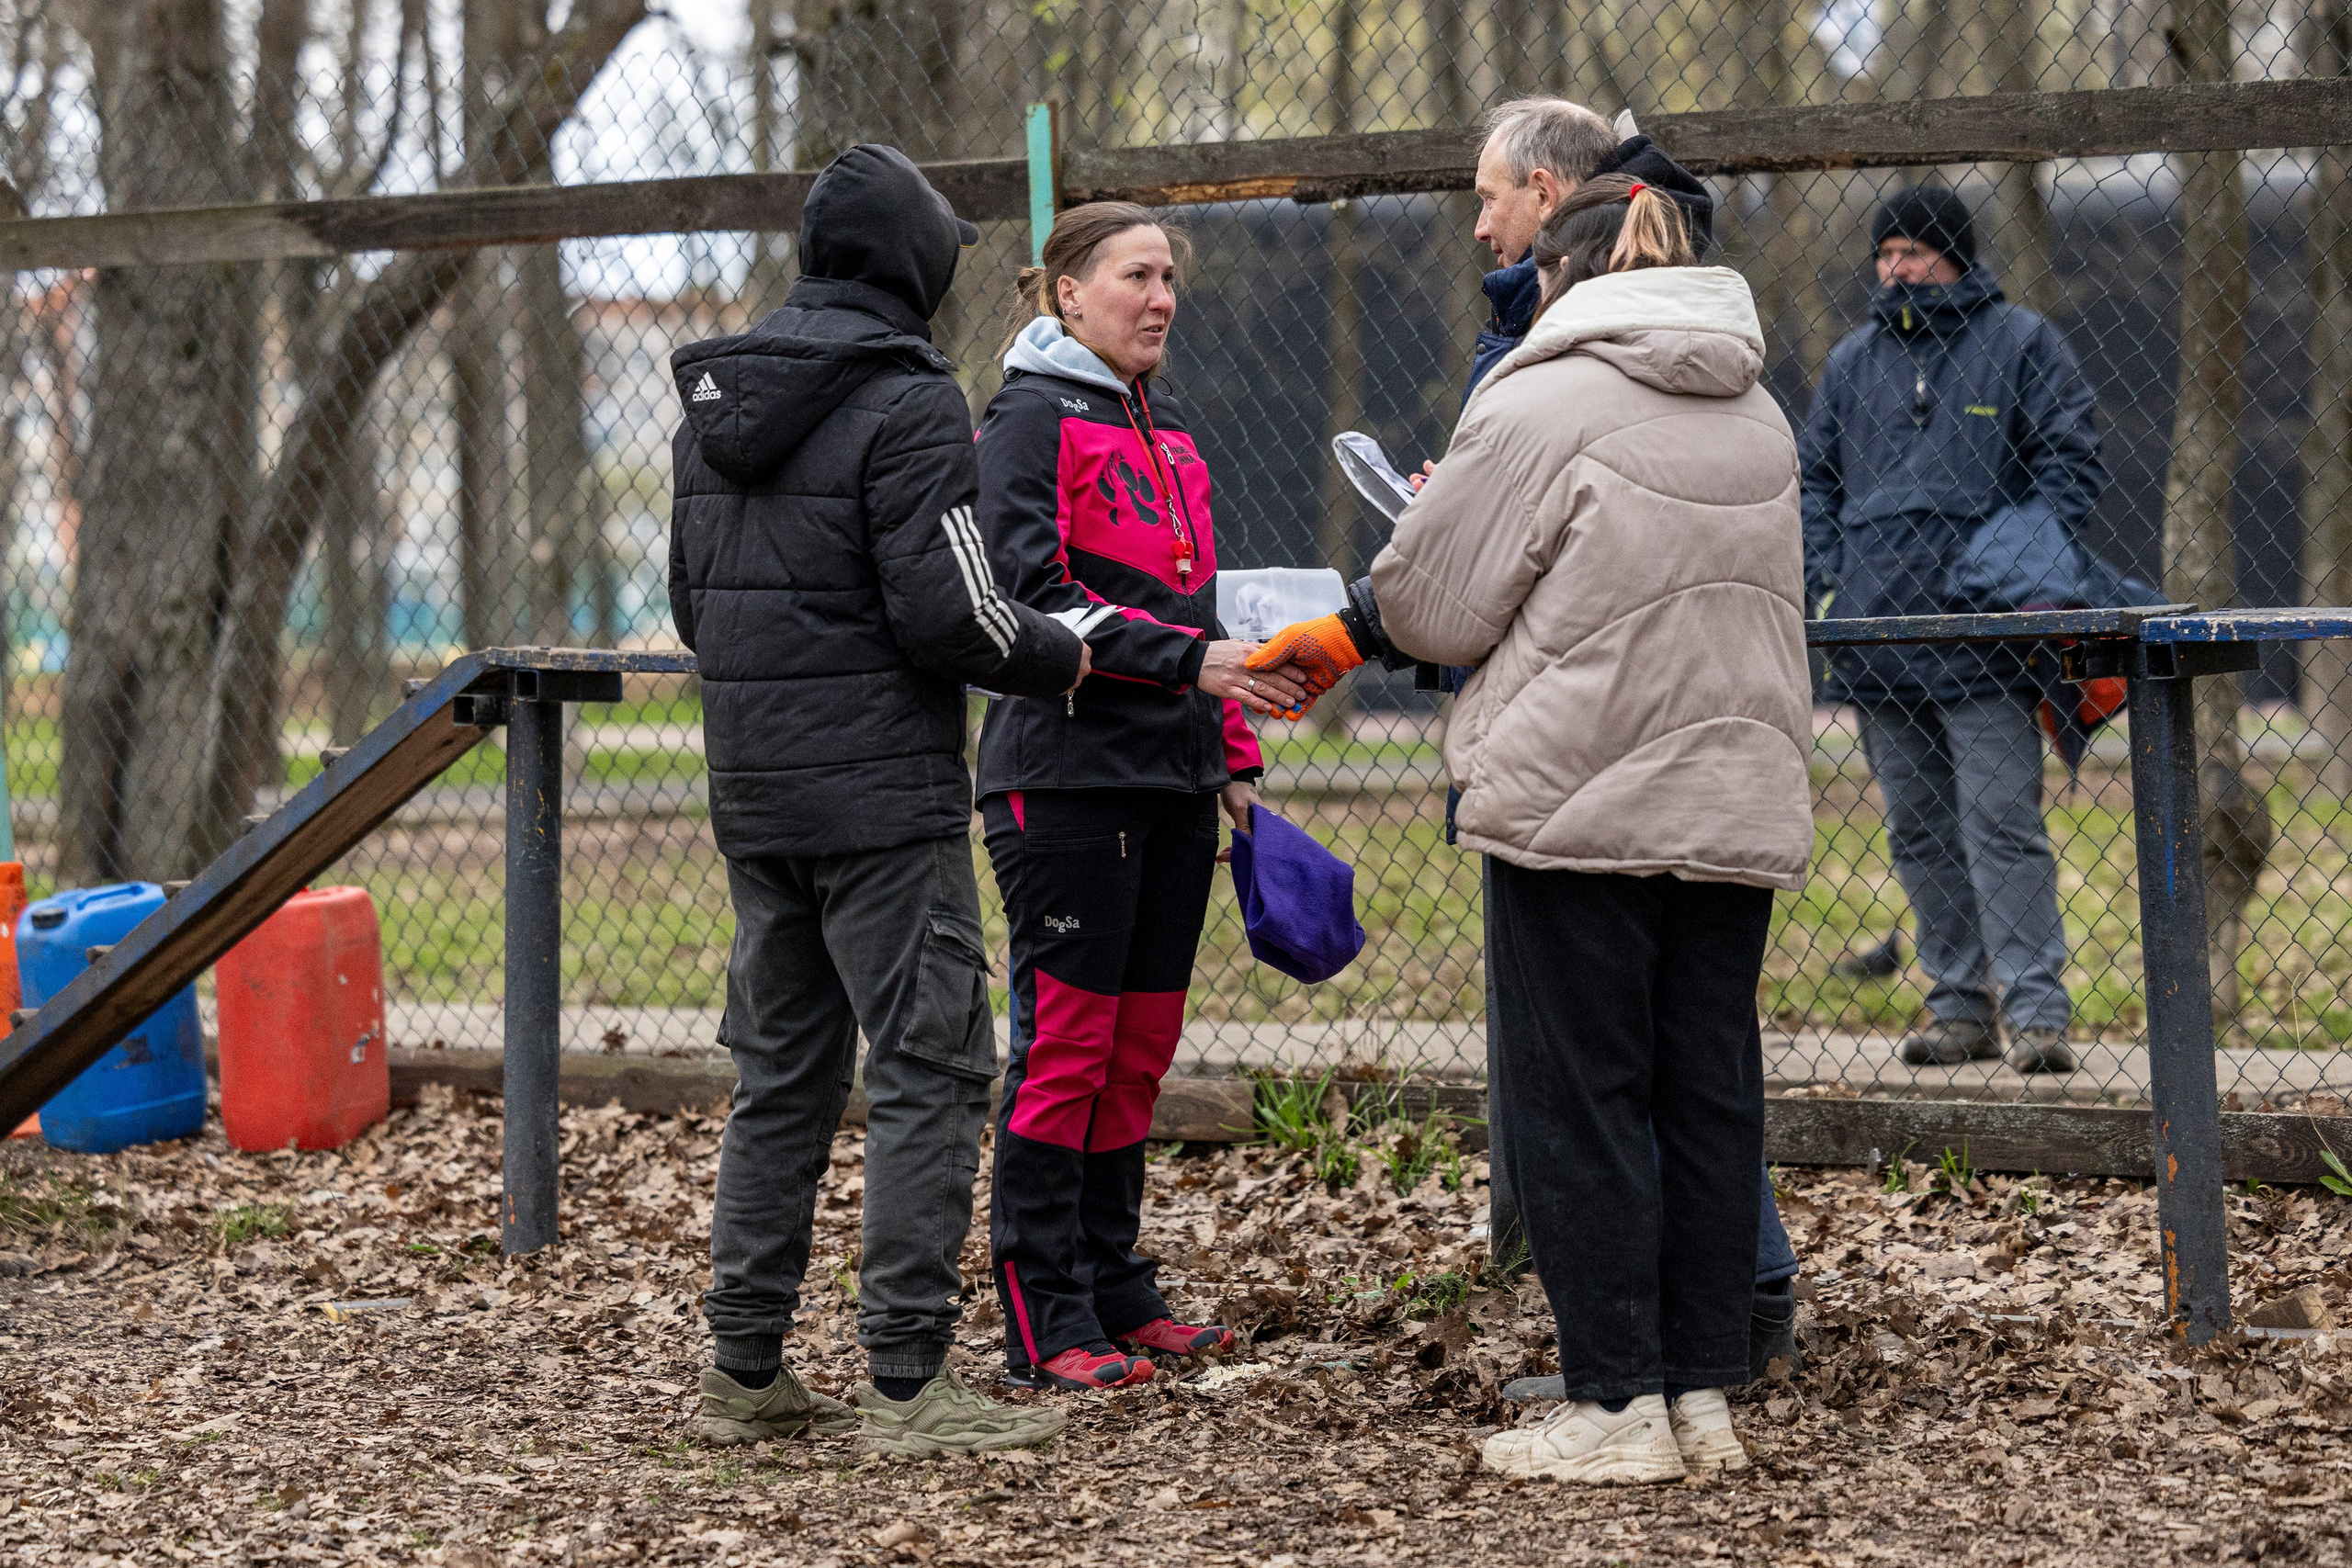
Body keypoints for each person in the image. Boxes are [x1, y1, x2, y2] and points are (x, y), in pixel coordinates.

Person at [1335, 94, 1804, 1380]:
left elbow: (1433, 599)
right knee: (1708, 1095)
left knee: (1584, 1103)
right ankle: (1704, 1386)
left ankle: (1613, 1397)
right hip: (1734, 798)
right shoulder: (1760, 412)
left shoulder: (1542, 400)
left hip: (1579, 797)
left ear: (1563, 272)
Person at [670, 144, 1094, 1456]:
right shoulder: (909, 405)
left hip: (758, 795)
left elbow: (693, 606)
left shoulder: (715, 408)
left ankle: (743, 1368)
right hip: (882, 804)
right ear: (908, 263)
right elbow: (952, 611)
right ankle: (909, 1379)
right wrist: (1064, 650)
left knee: (781, 1077)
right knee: (929, 1068)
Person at [974, 201, 1311, 1392]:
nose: (1160, 297)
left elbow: (1204, 620)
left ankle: (1118, 1285)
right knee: (1068, 1047)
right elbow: (1028, 605)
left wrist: (1236, 758)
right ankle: (1042, 1305)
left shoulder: (1172, 443)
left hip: (1174, 786)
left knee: (1138, 1049)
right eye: (1135, 275)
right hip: (1061, 783)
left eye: (1170, 277)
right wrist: (1190, 664)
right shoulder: (1023, 420)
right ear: (1066, 291)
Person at [1800, 186, 2103, 1076]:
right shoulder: (1852, 362)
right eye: (1884, 252)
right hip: (1878, 639)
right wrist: (1832, 573)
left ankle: (2037, 1014)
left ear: (1956, 258)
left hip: (1985, 644)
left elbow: (2070, 462)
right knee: (1918, 830)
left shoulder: (2020, 344)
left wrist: (2011, 559)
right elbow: (1813, 477)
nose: (1895, 268)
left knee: (2001, 820)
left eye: (1914, 251)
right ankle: (1959, 1006)